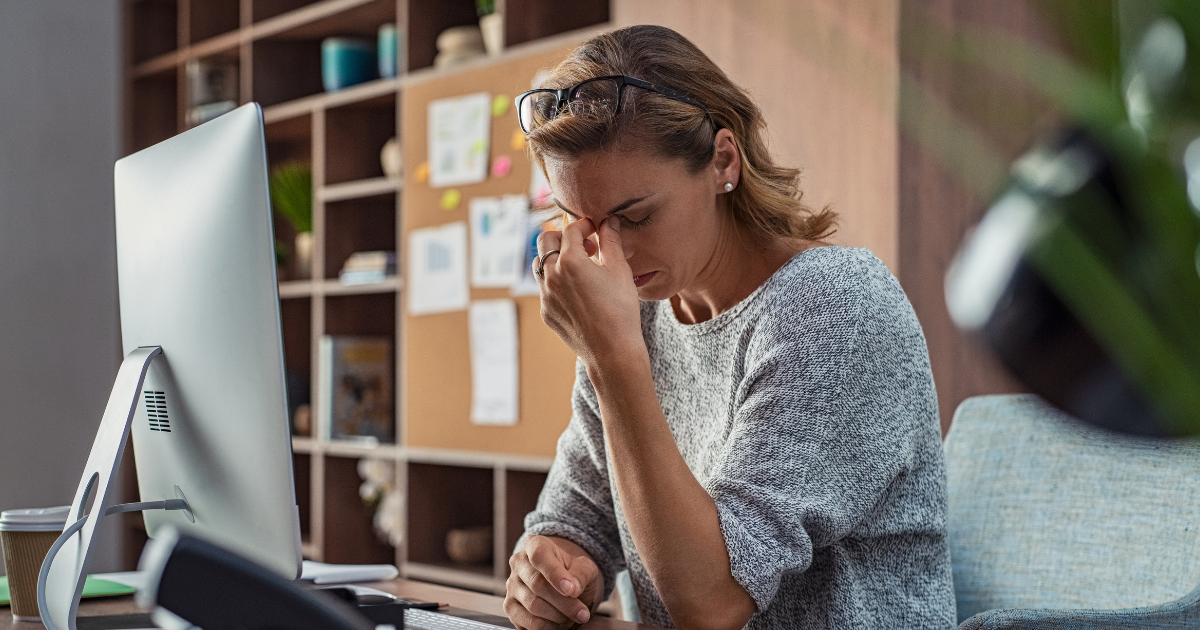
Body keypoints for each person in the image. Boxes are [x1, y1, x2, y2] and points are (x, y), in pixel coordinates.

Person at [505, 25, 955, 630]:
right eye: (581, 221)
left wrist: (613, 358)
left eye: (634, 216)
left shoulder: (835, 307)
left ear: (723, 160)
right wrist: (552, 572)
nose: (606, 253)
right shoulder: (638, 314)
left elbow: (711, 603)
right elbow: (580, 519)